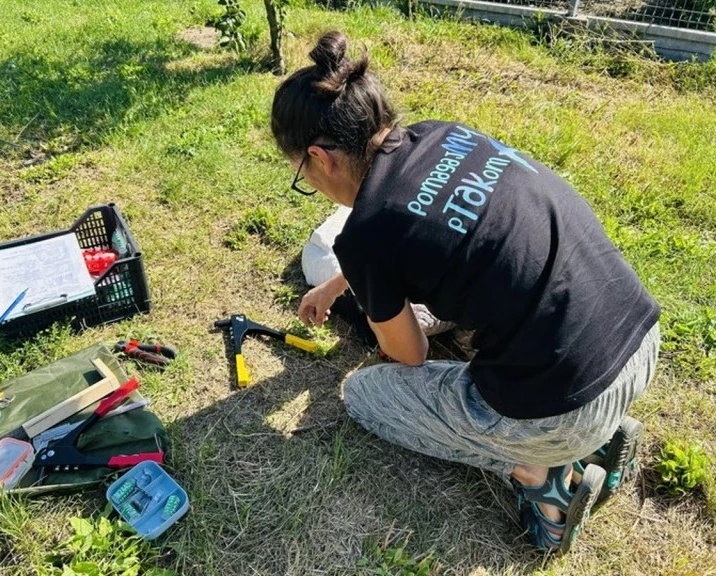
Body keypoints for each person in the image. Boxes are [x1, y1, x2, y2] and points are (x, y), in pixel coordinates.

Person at [270, 30, 660, 553]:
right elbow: (449, 237)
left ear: (321, 158)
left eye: (301, 173)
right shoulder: (443, 135)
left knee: (366, 397)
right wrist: (345, 280)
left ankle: (539, 474)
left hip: (565, 407)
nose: (310, 181)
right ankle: (601, 434)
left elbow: (411, 354)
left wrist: (371, 297)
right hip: (637, 341)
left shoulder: (365, 236)